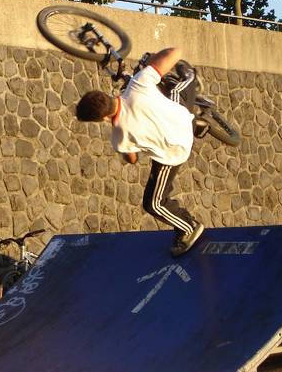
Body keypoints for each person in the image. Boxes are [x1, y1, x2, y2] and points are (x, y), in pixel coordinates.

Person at [76, 47, 205, 257]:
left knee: (154, 203)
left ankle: (189, 227)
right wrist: (148, 65)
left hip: (176, 149)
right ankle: (189, 78)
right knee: (169, 90)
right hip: (183, 116)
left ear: (101, 119)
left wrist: (116, 128)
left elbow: (132, 158)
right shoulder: (138, 83)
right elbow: (174, 52)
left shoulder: (120, 137)